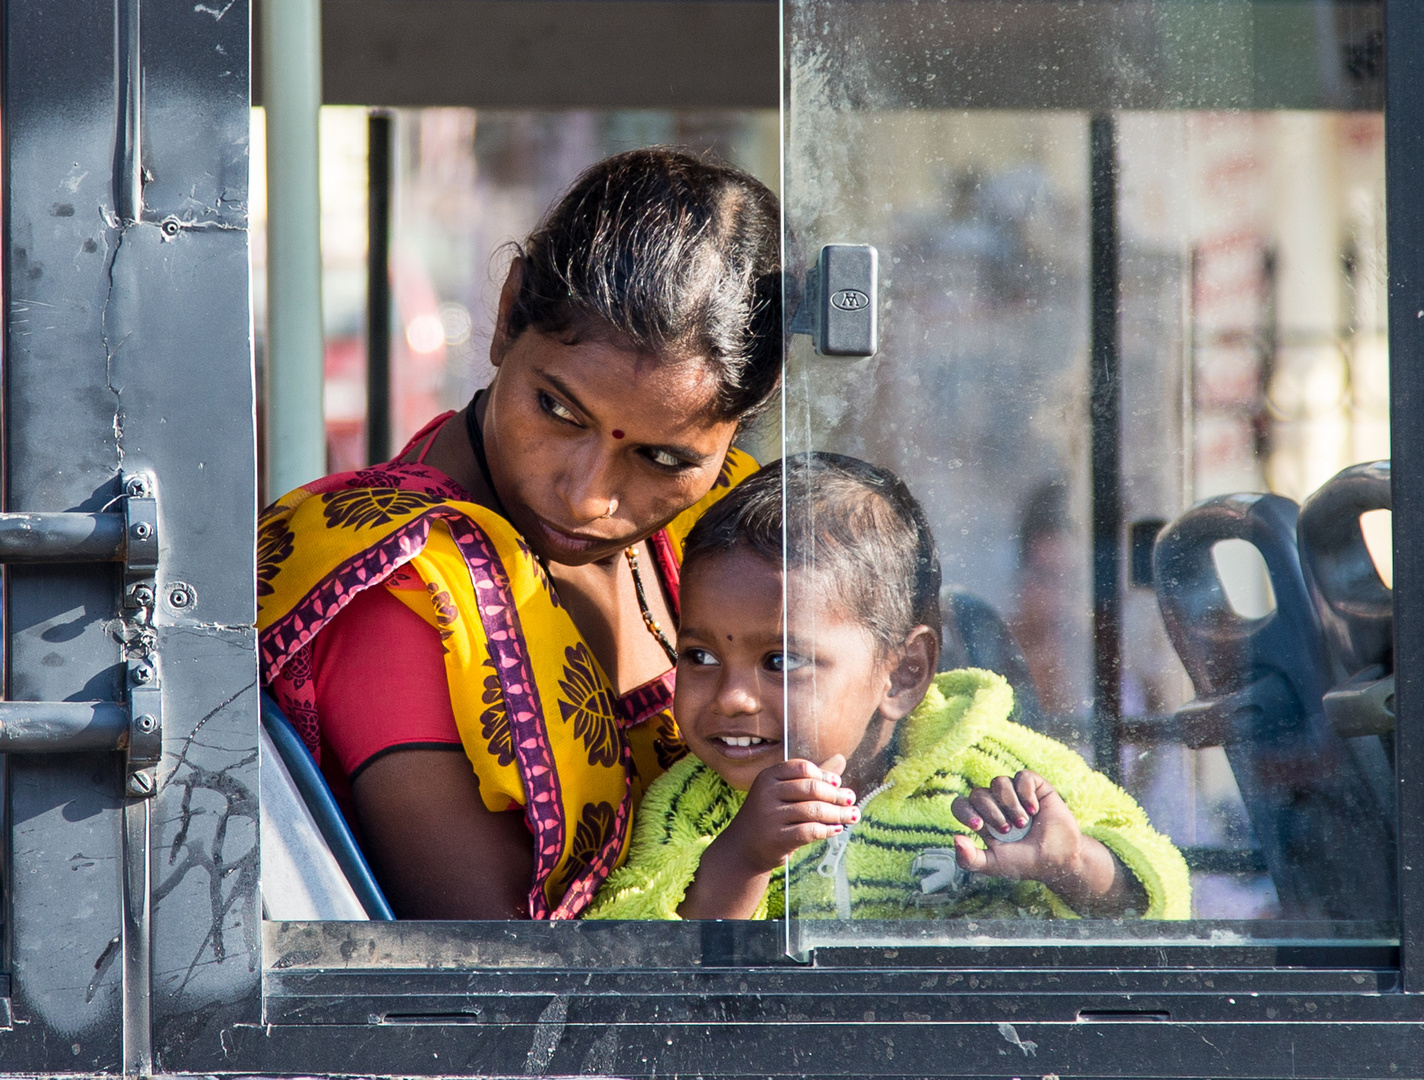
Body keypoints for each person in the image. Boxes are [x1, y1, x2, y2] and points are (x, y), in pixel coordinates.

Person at [257, 148, 782, 919]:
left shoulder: (729, 517)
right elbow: (505, 987)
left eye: (664, 458)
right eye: (558, 411)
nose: (587, 496)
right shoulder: (399, 586)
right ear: (507, 316)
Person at [586, 454, 1190, 920]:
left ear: (902, 674)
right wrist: (742, 859)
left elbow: (1164, 897)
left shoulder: (998, 776)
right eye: (698, 655)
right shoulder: (694, 805)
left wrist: (1071, 863)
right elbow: (646, 956)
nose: (731, 699)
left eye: (780, 661)